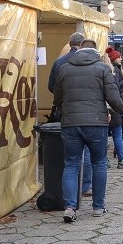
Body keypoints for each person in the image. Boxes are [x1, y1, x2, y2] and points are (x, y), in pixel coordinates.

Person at [53, 38, 123, 222]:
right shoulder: (102, 69)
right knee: (99, 163)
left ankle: (69, 207)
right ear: (96, 53)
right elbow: (113, 96)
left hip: (71, 123)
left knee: (71, 164)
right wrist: (121, 109)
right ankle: (98, 207)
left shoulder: (64, 68)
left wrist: (64, 111)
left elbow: (57, 97)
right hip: (96, 123)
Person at [48, 32, 92, 193]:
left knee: (70, 159)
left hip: (67, 112)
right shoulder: (93, 63)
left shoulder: (59, 62)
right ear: (82, 44)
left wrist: (62, 100)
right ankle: (85, 186)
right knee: (87, 152)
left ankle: (69, 193)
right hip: (90, 114)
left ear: (69, 43)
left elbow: (51, 86)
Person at [105, 48, 123, 169]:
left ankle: (105, 160)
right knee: (117, 133)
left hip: (104, 107)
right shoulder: (113, 71)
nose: (121, 58)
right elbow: (115, 88)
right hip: (114, 105)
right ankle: (121, 159)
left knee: (105, 135)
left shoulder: (105, 72)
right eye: (118, 57)